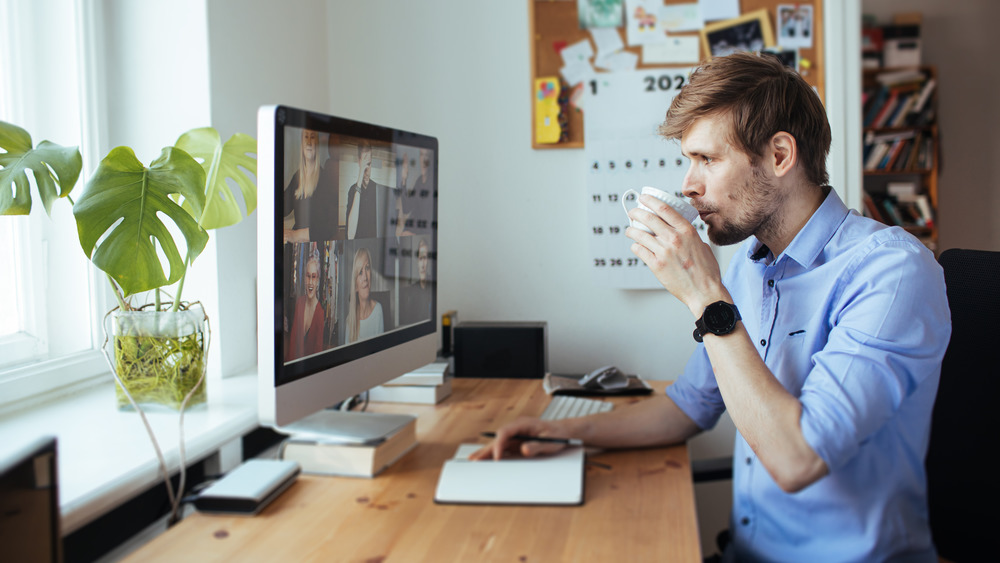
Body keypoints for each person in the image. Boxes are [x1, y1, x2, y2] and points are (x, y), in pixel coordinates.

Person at [473, 52, 951, 562]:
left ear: (780, 155)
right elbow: (688, 408)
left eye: (707, 159)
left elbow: (798, 460)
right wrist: (564, 433)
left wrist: (705, 295)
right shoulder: (750, 264)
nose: (688, 184)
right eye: (688, 160)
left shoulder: (893, 272)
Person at [283, 128, 339, 243]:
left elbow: (328, 227)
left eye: (312, 137)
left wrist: (295, 235)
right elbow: (283, 208)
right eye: (306, 137)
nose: (309, 142)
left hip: (312, 245)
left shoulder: (325, 179)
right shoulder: (297, 177)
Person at [286, 251, 325, 361]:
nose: (310, 282)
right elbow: (293, 342)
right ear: (304, 278)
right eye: (308, 276)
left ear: (318, 281)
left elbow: (318, 354)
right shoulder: (300, 302)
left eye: (314, 277)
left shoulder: (320, 313)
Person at [345, 140, 388, 240]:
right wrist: (359, 180)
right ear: (359, 162)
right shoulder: (352, 191)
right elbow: (350, 235)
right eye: (364, 163)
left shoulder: (377, 190)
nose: (366, 168)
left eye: (368, 163)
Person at [345, 246, 384, 342]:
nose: (365, 277)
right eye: (360, 272)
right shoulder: (350, 321)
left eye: (367, 268)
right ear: (355, 286)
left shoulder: (378, 310)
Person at [400, 237, 432, 325]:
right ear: (417, 262)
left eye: (425, 258)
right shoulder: (412, 291)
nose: (422, 265)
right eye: (420, 259)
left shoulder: (435, 287)